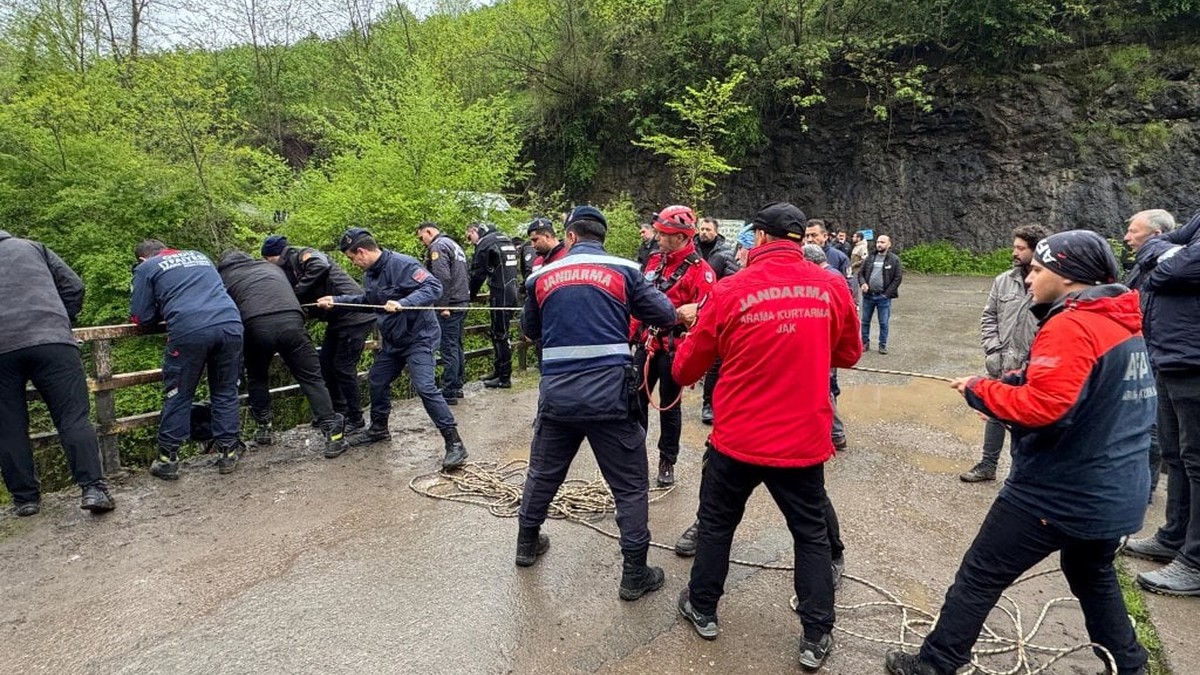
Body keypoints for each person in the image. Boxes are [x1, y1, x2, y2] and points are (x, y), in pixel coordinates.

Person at [884, 230, 1152, 675]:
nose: (1030, 278)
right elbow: (1083, 393)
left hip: (1058, 491)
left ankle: (935, 663)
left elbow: (1044, 409)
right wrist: (1012, 386)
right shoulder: (1120, 323)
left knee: (981, 573)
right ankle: (1130, 665)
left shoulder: (1072, 324)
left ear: (1067, 278)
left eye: (1040, 270)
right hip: (1115, 491)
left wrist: (980, 390)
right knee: (1092, 573)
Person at [671, 202, 861, 672]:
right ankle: (816, 635)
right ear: (801, 240)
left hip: (737, 439)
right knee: (810, 536)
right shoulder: (832, 285)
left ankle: (703, 606)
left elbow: (684, 369)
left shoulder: (732, 289)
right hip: (802, 440)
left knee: (717, 525)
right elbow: (851, 353)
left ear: (758, 238)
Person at [515, 205, 684, 602]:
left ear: (569, 236)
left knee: (542, 474)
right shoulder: (625, 270)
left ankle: (526, 545)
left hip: (557, 397)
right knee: (628, 486)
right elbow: (663, 313)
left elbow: (529, 330)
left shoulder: (540, 276)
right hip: (610, 397)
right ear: (602, 238)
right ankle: (634, 573)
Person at [317, 228, 467, 470]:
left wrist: (403, 303)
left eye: (352, 258)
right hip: (394, 342)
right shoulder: (370, 275)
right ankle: (378, 429)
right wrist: (336, 301)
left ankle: (454, 443)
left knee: (425, 386)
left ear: (362, 251)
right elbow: (368, 303)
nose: (353, 263)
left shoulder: (402, 264)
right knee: (377, 379)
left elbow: (434, 287)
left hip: (420, 338)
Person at [0, 231, 114, 515]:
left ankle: (26, 499)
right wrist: (61, 319)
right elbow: (74, 286)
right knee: (73, 416)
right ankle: (93, 489)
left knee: (8, 427)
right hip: (53, 340)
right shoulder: (32, 248)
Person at [1122, 211, 1200, 596]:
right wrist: (1169, 251)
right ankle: (1173, 538)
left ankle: (1196, 562)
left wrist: (1165, 252)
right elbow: (1170, 255)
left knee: (1198, 460)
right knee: (1176, 454)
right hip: (1171, 356)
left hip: (1194, 359)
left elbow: (1173, 271)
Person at [217, 251, 347, 458]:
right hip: (292, 321)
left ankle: (264, 428)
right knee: (311, 378)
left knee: (258, 377)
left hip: (255, 326)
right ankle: (332, 434)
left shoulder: (224, 276)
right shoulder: (271, 267)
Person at [131, 240, 244, 479]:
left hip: (190, 329)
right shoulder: (199, 255)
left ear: (142, 258)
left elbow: (141, 317)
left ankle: (168, 460)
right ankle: (227, 454)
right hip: (230, 323)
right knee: (225, 391)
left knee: (179, 393)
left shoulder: (147, 268)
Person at [633, 204, 715, 487]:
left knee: (669, 407)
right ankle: (634, 459)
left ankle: (667, 460)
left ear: (681, 237)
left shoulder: (700, 272)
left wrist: (694, 358)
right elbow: (637, 302)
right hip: (647, 342)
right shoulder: (654, 262)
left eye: (664, 234)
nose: (658, 238)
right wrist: (628, 338)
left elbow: (706, 317)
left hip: (673, 347)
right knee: (635, 402)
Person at [262, 235, 375, 433]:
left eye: (267, 260)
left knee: (343, 368)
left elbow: (320, 265)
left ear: (273, 256)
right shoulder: (290, 268)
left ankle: (355, 418)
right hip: (337, 318)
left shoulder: (302, 255)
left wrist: (294, 294)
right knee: (325, 363)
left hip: (354, 314)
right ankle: (338, 412)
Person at [960, 225, 1046, 483]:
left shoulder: (1049, 283)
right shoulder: (1003, 280)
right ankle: (988, 465)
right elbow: (989, 316)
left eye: (1021, 248)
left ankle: (1021, 476)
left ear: (1036, 250)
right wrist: (993, 348)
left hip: (1031, 367)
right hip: (1000, 362)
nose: (1014, 252)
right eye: (1014, 247)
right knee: (995, 414)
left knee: (1026, 422)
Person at [1119, 210, 1175, 501]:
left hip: (1154, 357)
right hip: (1138, 352)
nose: (1127, 237)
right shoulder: (1143, 265)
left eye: (1133, 231)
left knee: (1150, 426)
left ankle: (1145, 488)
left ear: (1156, 235)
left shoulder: (1166, 269)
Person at [416, 223, 471, 405]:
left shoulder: (438, 246)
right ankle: (457, 385)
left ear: (429, 232)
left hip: (450, 304)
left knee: (448, 348)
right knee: (456, 345)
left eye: (421, 237)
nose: (422, 242)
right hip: (461, 301)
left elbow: (442, 277)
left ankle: (449, 390)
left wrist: (443, 305)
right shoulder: (454, 245)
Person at [695, 217, 741, 425]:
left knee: (716, 361)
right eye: (701, 228)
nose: (703, 232)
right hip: (691, 308)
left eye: (707, 229)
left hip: (715, 309)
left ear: (716, 231)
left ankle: (710, 404)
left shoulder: (725, 253)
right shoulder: (690, 248)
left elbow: (732, 280)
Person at [466, 222, 520, 389]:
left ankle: (504, 377)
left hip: (500, 291)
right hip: (512, 290)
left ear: (475, 231)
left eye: (469, 236)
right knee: (500, 333)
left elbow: (478, 273)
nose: (470, 241)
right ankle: (499, 371)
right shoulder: (504, 238)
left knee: (500, 334)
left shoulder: (485, 243)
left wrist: (469, 295)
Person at [857, 234, 902, 354]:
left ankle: (882, 345)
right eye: (877, 242)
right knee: (865, 321)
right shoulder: (870, 258)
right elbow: (860, 274)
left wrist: (886, 295)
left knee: (883, 322)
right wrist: (863, 284)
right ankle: (864, 343)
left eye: (882, 242)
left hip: (883, 297)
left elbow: (897, 278)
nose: (879, 244)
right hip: (868, 296)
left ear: (889, 244)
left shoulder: (894, 260)